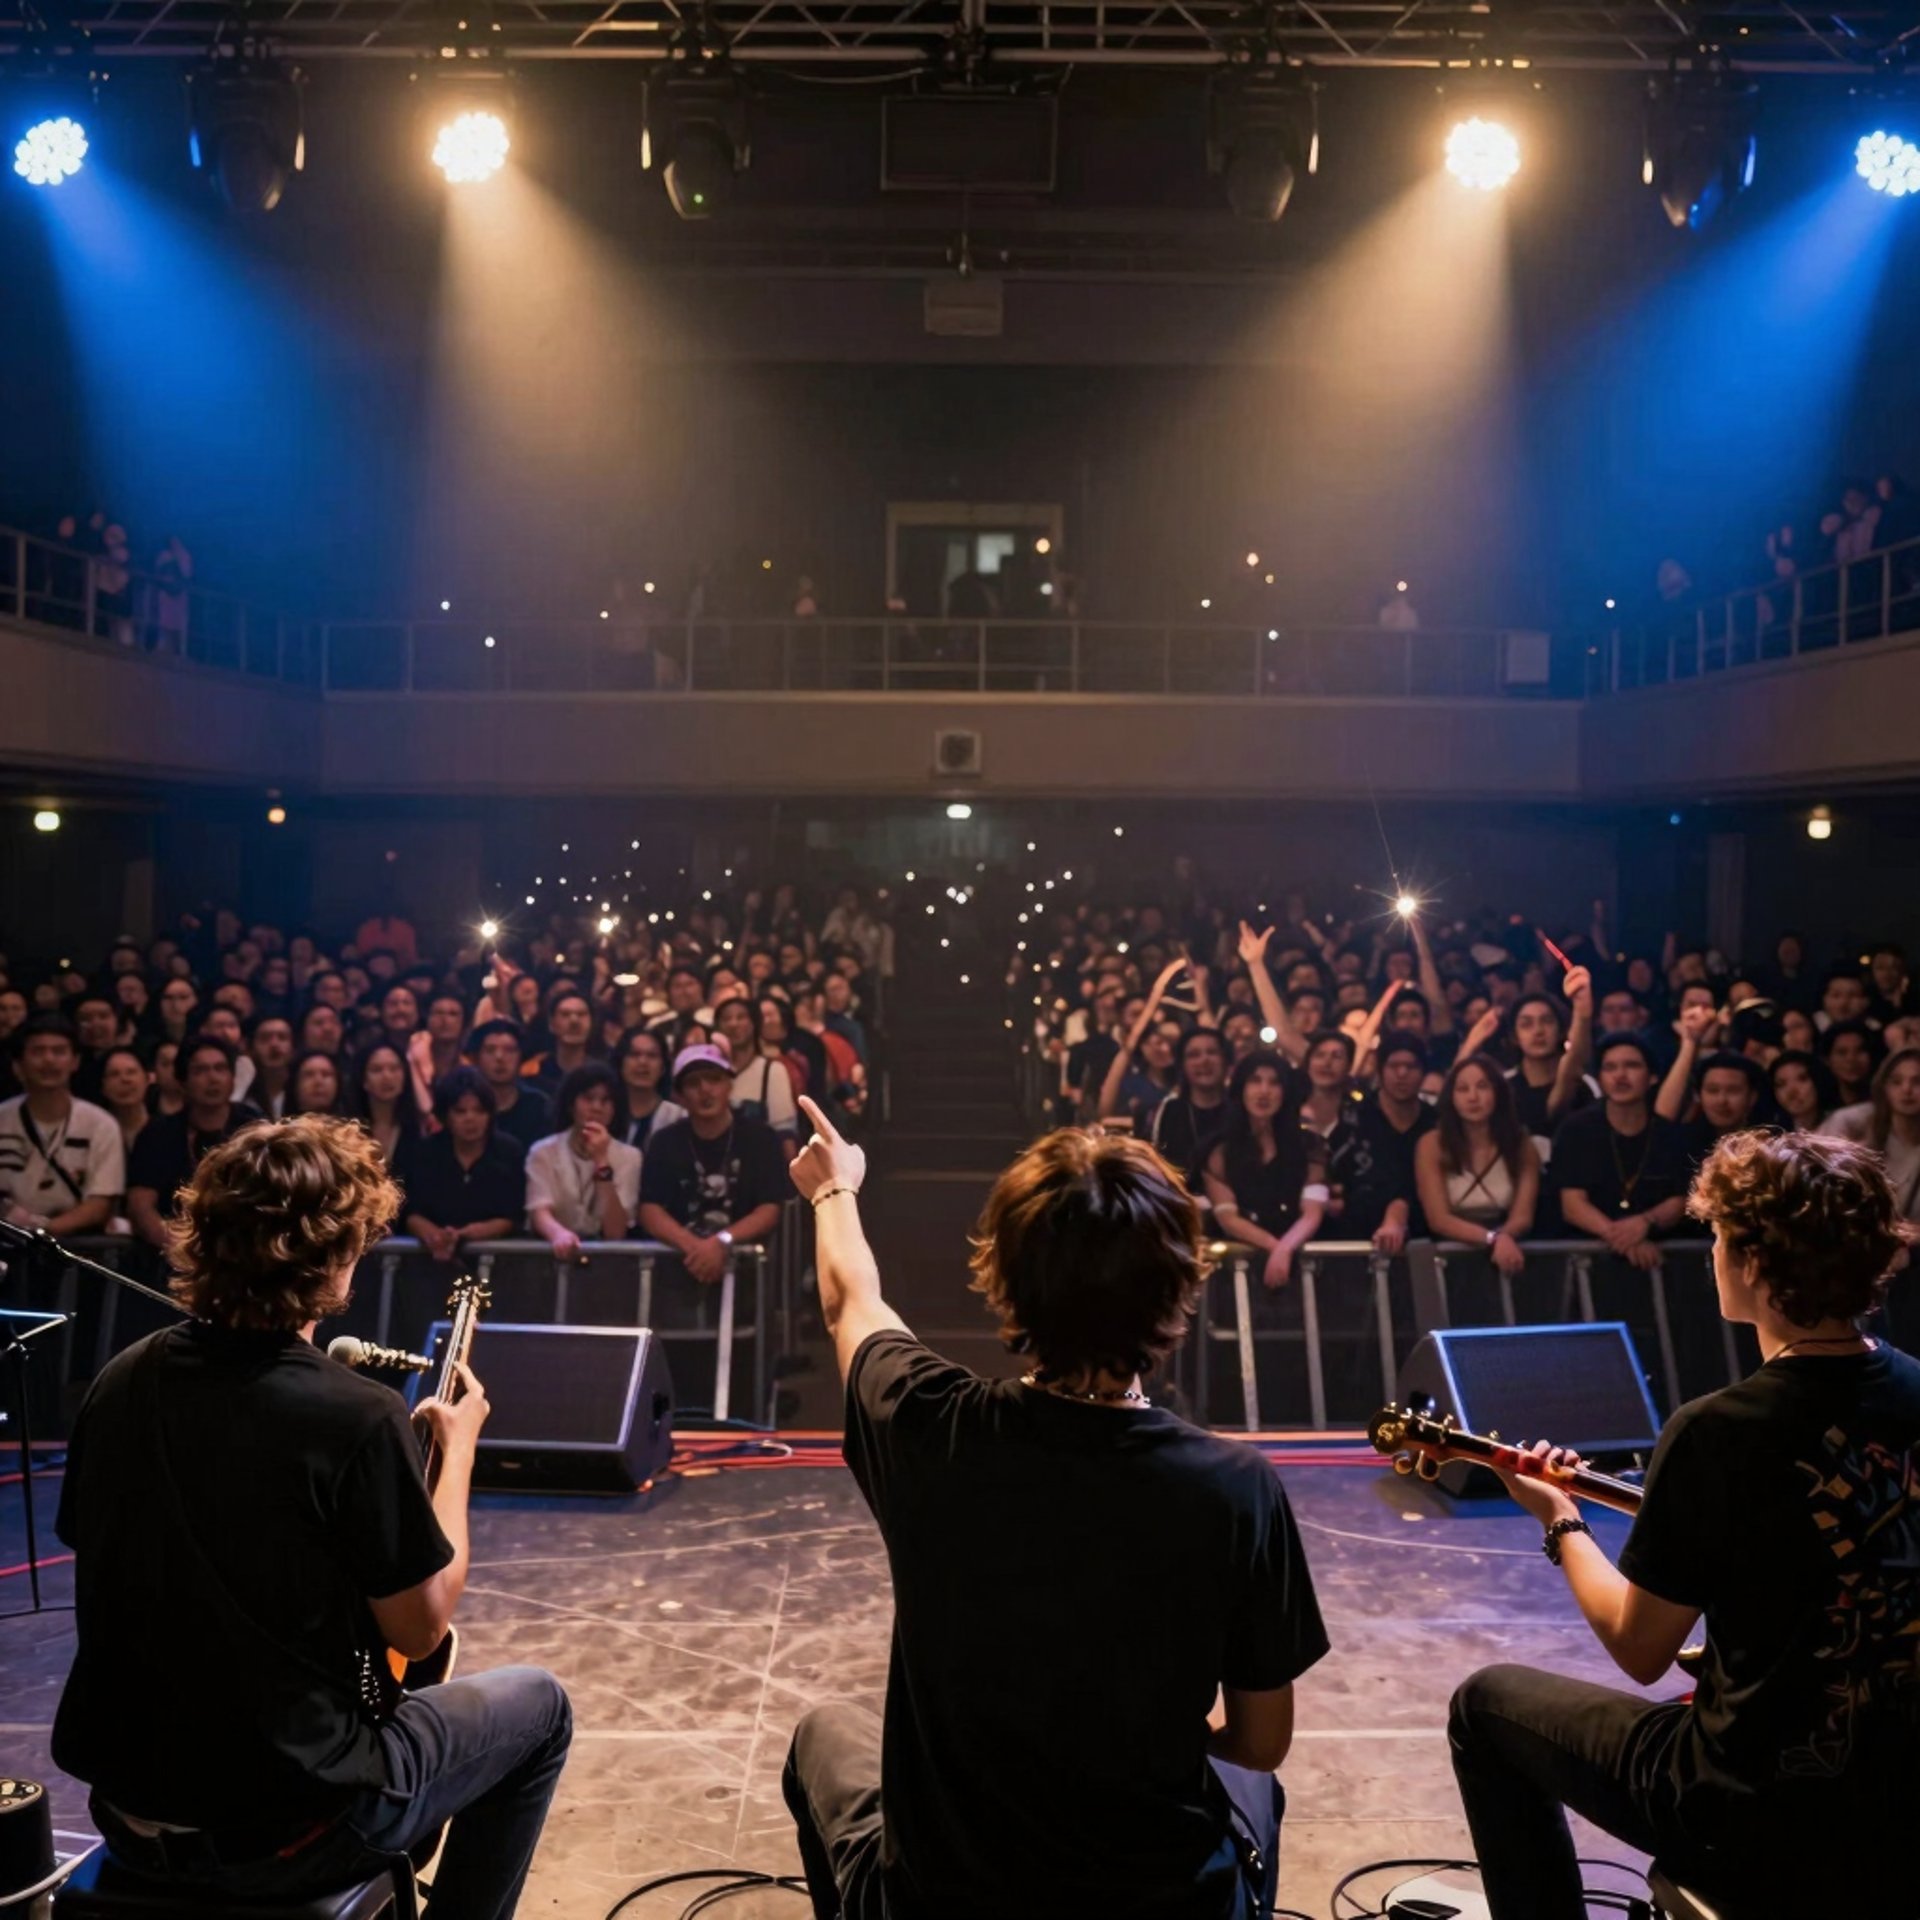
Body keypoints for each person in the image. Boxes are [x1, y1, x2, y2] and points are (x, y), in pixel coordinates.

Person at [782, 1102, 1325, 1920]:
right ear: (1178, 1286)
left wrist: (835, 1191)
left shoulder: (929, 1424)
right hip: (1160, 1900)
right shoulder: (1234, 1487)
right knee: (1254, 1789)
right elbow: (1260, 1742)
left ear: (1004, 1275)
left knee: (826, 1733)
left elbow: (850, 1303)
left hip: (949, 1900)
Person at [54, 1114, 571, 1914]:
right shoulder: (355, 1416)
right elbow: (420, 1629)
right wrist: (458, 1451)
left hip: (126, 1813)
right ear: (335, 1257)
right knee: (540, 1709)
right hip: (287, 1832)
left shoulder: (120, 1380)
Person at [1449, 1130, 1917, 1918]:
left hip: (1756, 1798)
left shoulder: (1718, 1429)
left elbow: (1639, 1648)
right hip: (1897, 1788)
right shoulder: (1912, 1387)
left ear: (1758, 1265)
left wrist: (1562, 1520)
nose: (1712, 1255)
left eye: (1720, 1238)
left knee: (1484, 1706)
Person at [636, 1045, 787, 1287]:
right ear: (679, 1095)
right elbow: (649, 1209)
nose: (705, 1089)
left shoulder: (760, 1138)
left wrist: (721, 1242)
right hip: (680, 1266)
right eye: (694, 1083)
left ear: (729, 1085)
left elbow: (769, 1208)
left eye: (714, 1079)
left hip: (745, 1272)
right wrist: (695, 1247)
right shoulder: (664, 1141)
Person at [1551, 1034, 1694, 1271]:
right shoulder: (1576, 1130)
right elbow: (1572, 1205)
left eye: (1632, 1065)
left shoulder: (1669, 1134)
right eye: (1610, 1068)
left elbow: (1680, 1200)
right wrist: (1623, 1238)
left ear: (1652, 1077)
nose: (1620, 1075)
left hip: (1658, 1261)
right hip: (1590, 1259)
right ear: (1600, 1078)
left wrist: (1646, 1222)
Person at [1201, 1050, 1328, 1292]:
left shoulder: (1309, 1146)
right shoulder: (1219, 1152)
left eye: (1274, 1082)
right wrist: (1275, 1248)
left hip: (1301, 1262)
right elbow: (1229, 1219)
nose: (1264, 1091)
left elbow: (1312, 1213)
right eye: (1255, 1081)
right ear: (1241, 1089)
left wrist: (1285, 1249)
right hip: (1237, 1269)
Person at [127, 1035, 260, 1248]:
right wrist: (180, 1247)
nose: (213, 1078)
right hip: (176, 1251)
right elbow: (140, 1205)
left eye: (220, 1068)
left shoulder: (255, 1129)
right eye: (200, 1071)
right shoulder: (158, 1133)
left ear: (233, 1078)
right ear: (183, 1082)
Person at [0, 1013, 125, 1236]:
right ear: (18, 1065)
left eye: (59, 1051)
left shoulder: (100, 1124)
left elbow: (100, 1204)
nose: (49, 1060)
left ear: (75, 1061)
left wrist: (41, 1232)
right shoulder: (3, 1118)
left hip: (78, 1249)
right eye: (38, 1051)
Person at [1415, 1055, 1539, 1274]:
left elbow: (1523, 1216)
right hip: (1448, 1257)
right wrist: (1492, 1238)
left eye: (1482, 1087)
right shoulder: (1431, 1144)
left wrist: (1503, 1238)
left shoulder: (1521, 1145)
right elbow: (1438, 1219)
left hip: (1508, 1252)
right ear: (1451, 1097)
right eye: (1462, 1089)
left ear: (1498, 1093)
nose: (1473, 1097)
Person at [402, 1067, 528, 1263]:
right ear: (445, 1115)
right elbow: (410, 1212)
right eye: (460, 1111)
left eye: (479, 1110)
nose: (470, 1118)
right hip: (428, 1262)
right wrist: (435, 1235)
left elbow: (514, 1215)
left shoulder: (509, 1152)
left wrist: (474, 1233)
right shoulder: (425, 1152)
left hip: (499, 1263)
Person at [526, 1062, 640, 1264]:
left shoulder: (630, 1157)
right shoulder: (543, 1152)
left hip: (608, 1264)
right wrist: (559, 1235)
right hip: (551, 1258)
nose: (596, 1107)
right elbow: (539, 1211)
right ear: (572, 1105)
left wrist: (602, 1161)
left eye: (605, 1101)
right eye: (588, 1099)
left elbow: (615, 1232)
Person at [1343, 1032, 1434, 1252]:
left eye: (1411, 1066)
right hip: (1356, 1239)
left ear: (1423, 1072)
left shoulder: (1436, 1123)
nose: (1402, 1073)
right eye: (1394, 1065)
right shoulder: (1353, 1119)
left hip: (1424, 1239)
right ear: (1381, 1069)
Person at [1829, 1047, 1920, 1226]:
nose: (1907, 1089)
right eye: (1896, 1081)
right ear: (1884, 1087)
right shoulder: (1864, 1134)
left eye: (1917, 1082)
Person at [713, 995, 799, 1147]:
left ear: (754, 1024)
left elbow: (785, 1134)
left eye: (741, 1017)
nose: (734, 1024)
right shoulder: (710, 1072)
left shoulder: (772, 1071)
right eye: (727, 1019)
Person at [1148, 1027, 1232, 1184]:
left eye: (1212, 1052)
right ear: (1182, 1065)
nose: (1204, 1060)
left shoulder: (1242, 1109)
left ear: (1225, 1060)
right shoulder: (1167, 1112)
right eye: (1194, 1055)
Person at [469, 1019, 549, 1157]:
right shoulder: (464, 1104)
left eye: (510, 1050)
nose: (500, 1058)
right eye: (490, 1050)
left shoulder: (539, 1105)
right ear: (477, 1058)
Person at [347, 1040, 421, 1171]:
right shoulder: (348, 1130)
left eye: (394, 1069)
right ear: (363, 1079)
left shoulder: (419, 1129)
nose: (387, 1076)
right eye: (376, 1070)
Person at [611, 1026, 684, 1151]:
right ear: (620, 1062)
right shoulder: (605, 1112)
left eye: (652, 1055)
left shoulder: (677, 1118)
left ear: (663, 1067)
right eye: (634, 1054)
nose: (643, 1062)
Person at [522, 991, 597, 1098]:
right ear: (551, 1024)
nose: (574, 1021)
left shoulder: (603, 1073)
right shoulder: (532, 1071)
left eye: (581, 1014)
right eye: (565, 1014)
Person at [288, 1049, 344, 1118]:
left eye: (326, 1074)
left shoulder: (354, 1127)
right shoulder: (279, 1127)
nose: (318, 1081)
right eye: (309, 1075)